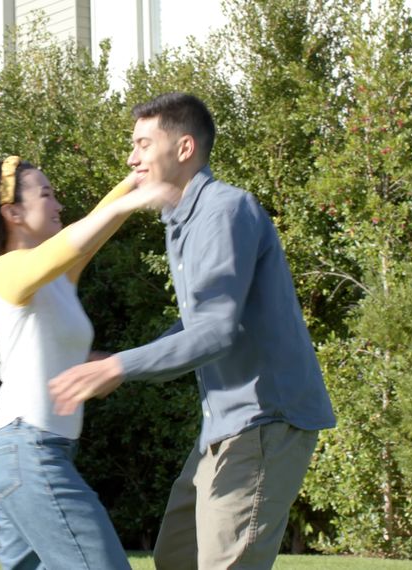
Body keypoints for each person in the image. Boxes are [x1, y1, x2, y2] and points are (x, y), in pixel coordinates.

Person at [48, 92, 337, 570]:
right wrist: (119, 361)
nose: (131, 157)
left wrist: (121, 365)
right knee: (176, 557)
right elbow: (199, 322)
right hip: (223, 426)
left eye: (143, 143)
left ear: (183, 149)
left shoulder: (223, 210)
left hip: (263, 420)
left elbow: (216, 331)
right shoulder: (181, 221)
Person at [0, 155, 173, 570]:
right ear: (12, 212)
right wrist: (130, 200)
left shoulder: (57, 280)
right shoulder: (4, 271)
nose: (58, 205)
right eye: (46, 195)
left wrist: (135, 178)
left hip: (29, 456)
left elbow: (95, 231)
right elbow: (75, 239)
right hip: (28, 452)